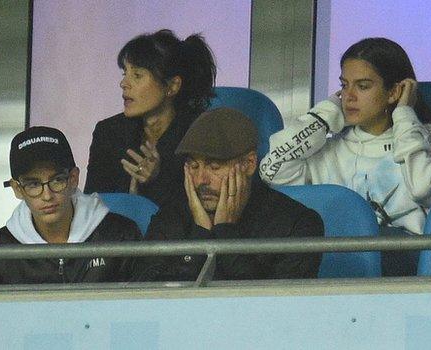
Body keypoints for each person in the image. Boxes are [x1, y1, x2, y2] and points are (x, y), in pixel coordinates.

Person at [259, 37, 431, 276]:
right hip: (337, 267)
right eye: (344, 85)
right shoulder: (329, 149)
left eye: (362, 86)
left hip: (406, 271)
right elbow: (271, 171)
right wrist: (322, 119)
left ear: (394, 92)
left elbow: (423, 187)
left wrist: (404, 114)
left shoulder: (430, 138)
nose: (349, 96)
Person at [134, 108, 324, 282]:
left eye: (214, 166)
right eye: (193, 166)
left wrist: (226, 233)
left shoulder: (297, 224)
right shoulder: (172, 216)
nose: (201, 180)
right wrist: (201, 235)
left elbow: (274, 310)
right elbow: (146, 298)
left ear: (249, 163)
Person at [0, 126, 141, 285]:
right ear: (17, 189)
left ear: (73, 179)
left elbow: (141, 311)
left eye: (57, 180)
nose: (47, 195)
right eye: (33, 184)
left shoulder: (120, 236)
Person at [84, 29, 217, 206]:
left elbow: (205, 207)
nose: (124, 83)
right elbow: (92, 204)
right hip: (118, 232)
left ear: (172, 85)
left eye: (137, 75)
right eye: (125, 73)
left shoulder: (201, 132)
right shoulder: (108, 132)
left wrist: (157, 180)